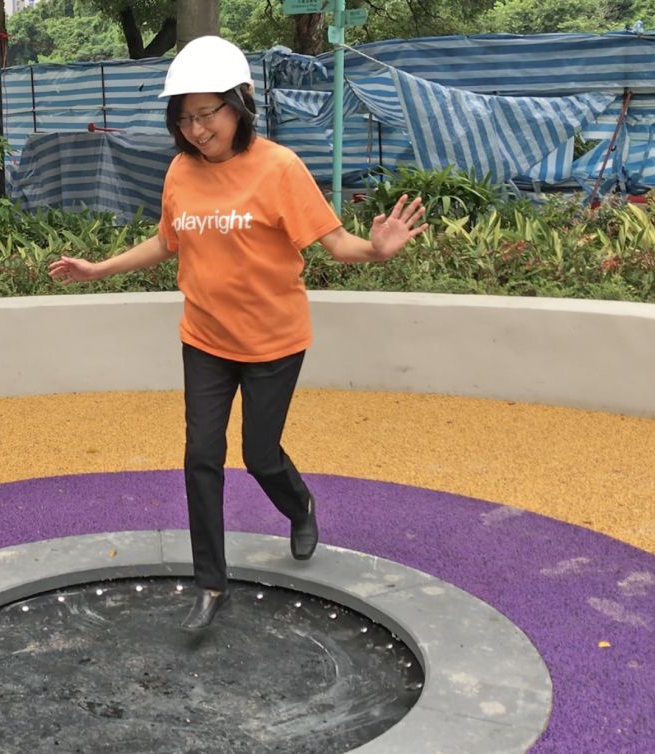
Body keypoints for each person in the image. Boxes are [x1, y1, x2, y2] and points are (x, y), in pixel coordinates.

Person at [49, 36, 428, 630]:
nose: (197, 130)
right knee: (201, 456)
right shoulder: (181, 171)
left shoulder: (279, 168)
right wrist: (99, 269)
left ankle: (299, 504)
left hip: (274, 342)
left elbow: (335, 243)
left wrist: (377, 251)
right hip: (204, 338)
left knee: (259, 454)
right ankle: (210, 583)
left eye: (207, 114)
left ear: (241, 102)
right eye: (184, 119)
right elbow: (166, 241)